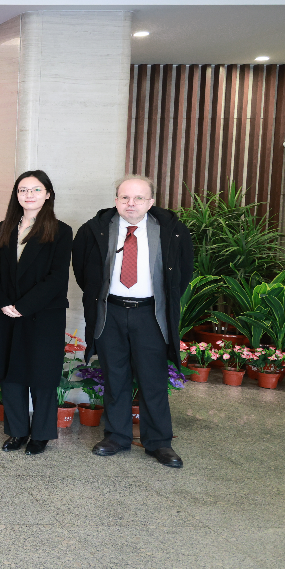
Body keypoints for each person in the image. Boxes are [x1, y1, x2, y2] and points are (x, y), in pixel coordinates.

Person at [72, 175, 193, 468]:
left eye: (139, 198)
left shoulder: (171, 230)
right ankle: (116, 436)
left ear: (151, 202)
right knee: (115, 376)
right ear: (116, 200)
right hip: (110, 312)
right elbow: (83, 271)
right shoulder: (95, 229)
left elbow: (183, 272)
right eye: (125, 197)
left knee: (153, 379)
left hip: (150, 314)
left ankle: (159, 442)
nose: (131, 203)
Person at [0, 170, 73, 456]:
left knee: (42, 375)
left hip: (42, 314)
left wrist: (23, 306)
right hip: (6, 313)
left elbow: (57, 277)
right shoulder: (4, 227)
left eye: (36, 189)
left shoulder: (61, 231)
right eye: (23, 190)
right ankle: (17, 431)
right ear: (16, 195)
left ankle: (41, 434)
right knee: (11, 374)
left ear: (47, 194)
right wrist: (2, 302)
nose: (29, 195)